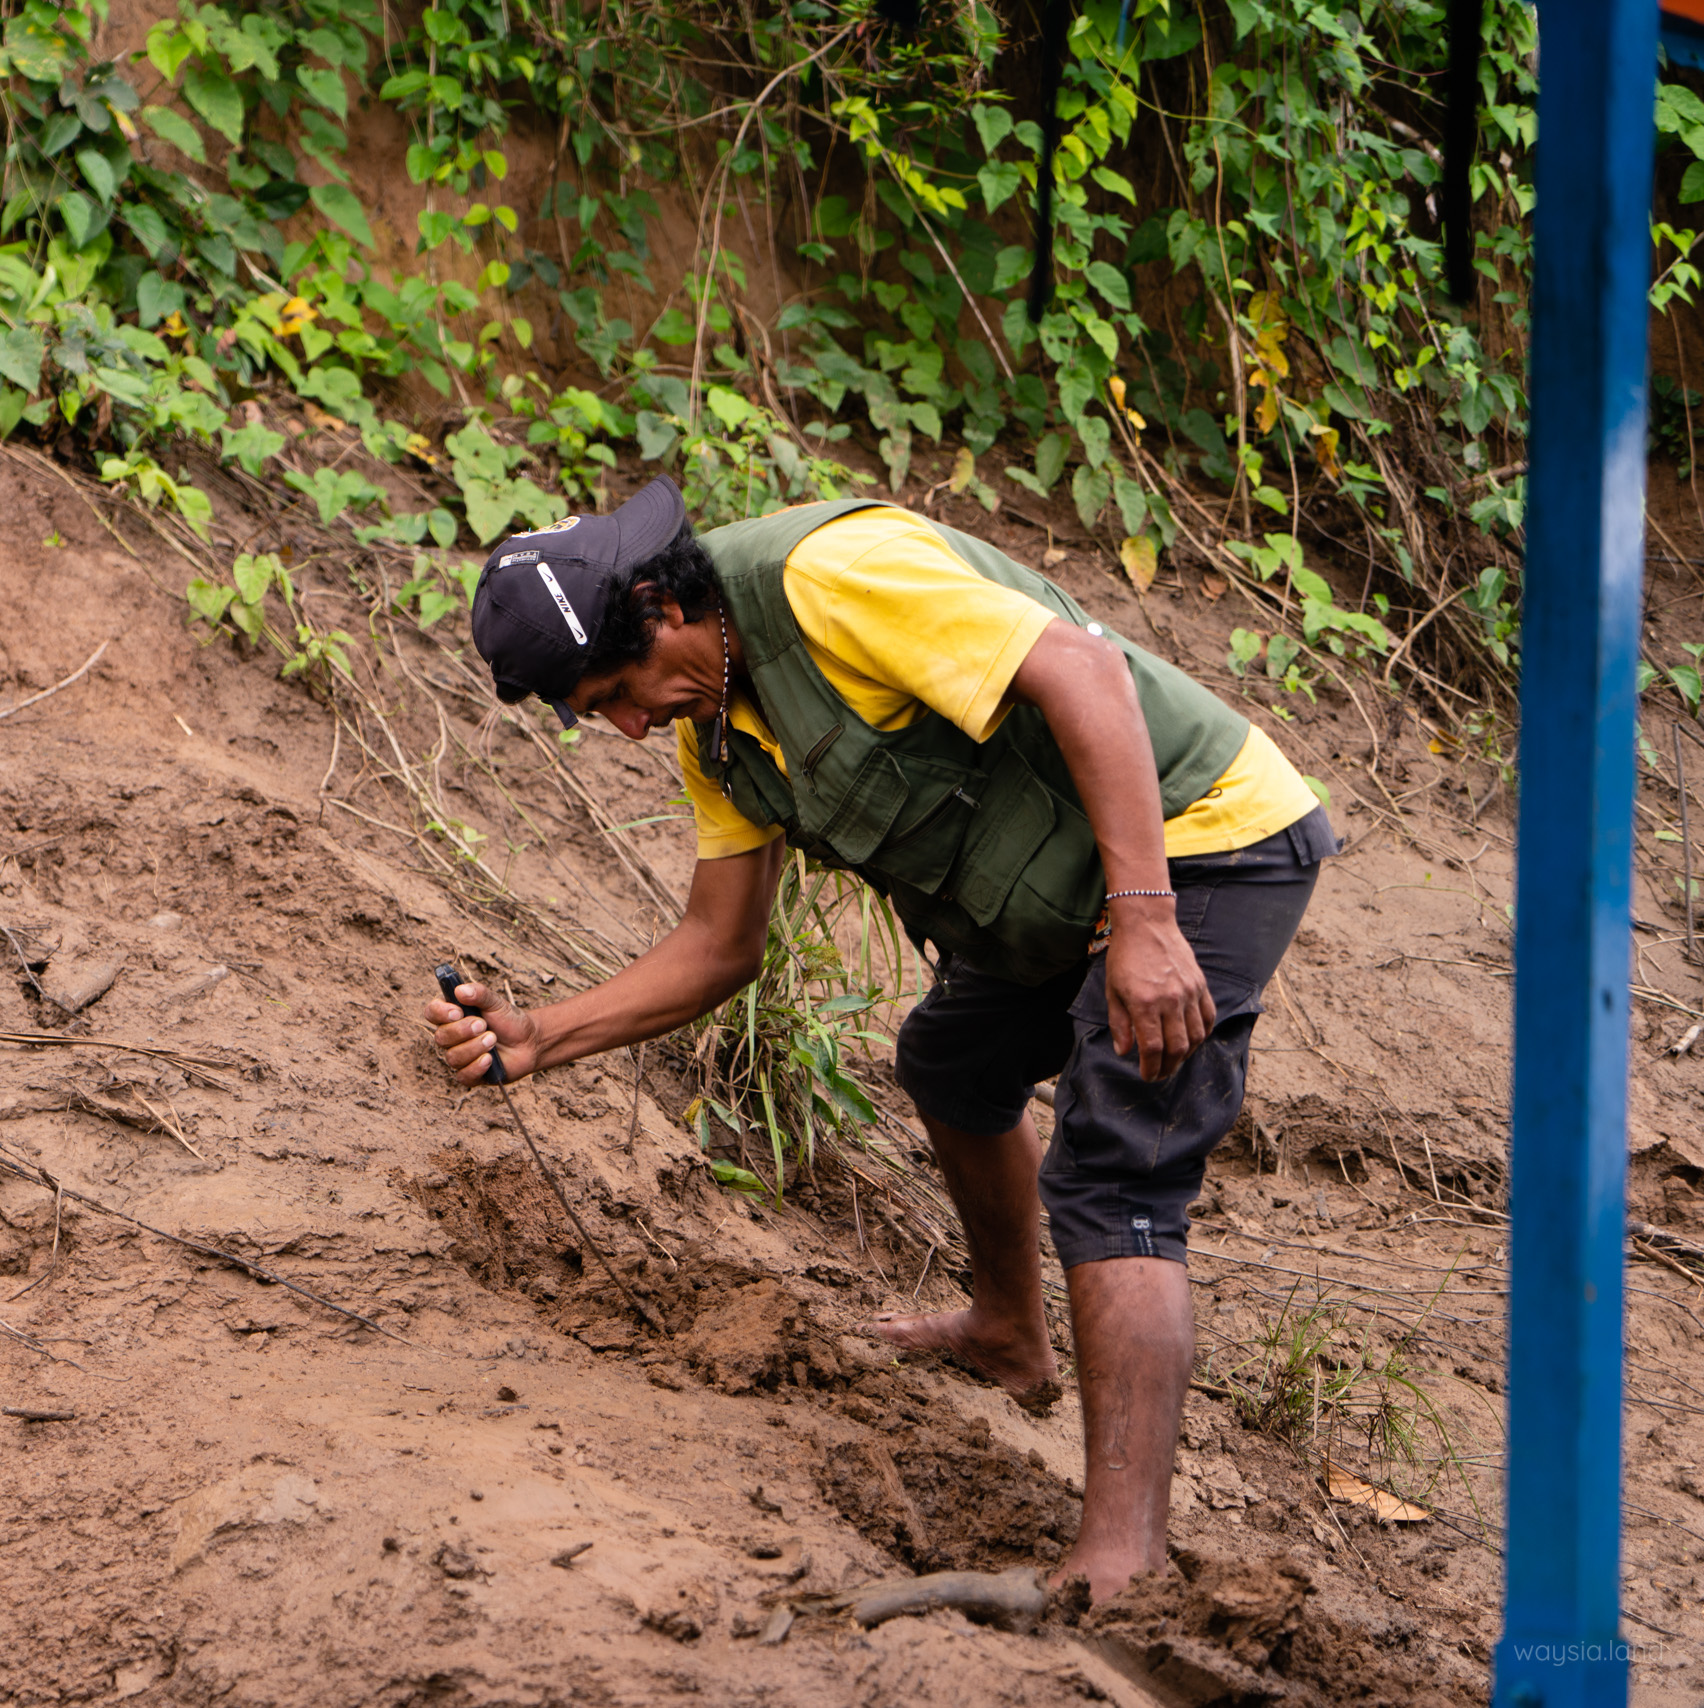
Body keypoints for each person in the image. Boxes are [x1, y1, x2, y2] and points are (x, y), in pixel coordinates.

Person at [426, 474, 1332, 1602]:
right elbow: (720, 944)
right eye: (591, 710)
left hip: (1200, 839)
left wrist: (1147, 918)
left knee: (1115, 1172)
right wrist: (537, 1037)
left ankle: (1122, 1559)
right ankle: (1008, 1330)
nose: (621, 723)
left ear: (659, 605)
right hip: (1074, 888)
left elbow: (1083, 670)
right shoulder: (714, 733)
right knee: (952, 1058)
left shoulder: (826, 581)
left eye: (615, 689)